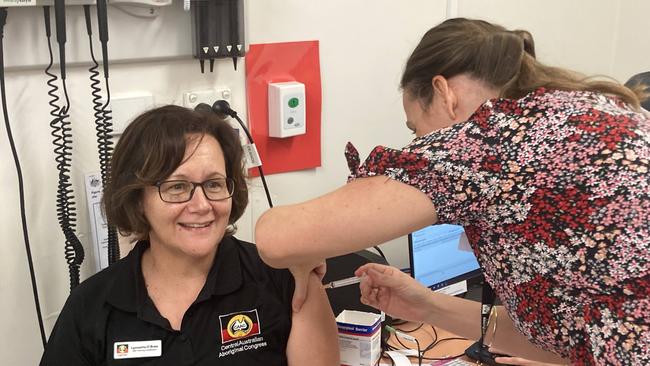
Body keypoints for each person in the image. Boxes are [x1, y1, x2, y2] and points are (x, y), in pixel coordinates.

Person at [255, 18, 650, 365]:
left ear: (444, 92)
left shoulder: (488, 141)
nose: (419, 144)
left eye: (415, 129)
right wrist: (425, 306)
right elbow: (576, 336)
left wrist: (306, 252)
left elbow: (276, 237)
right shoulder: (592, 110)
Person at [40, 105, 339, 365]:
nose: (201, 205)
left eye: (214, 184)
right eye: (176, 187)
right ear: (137, 200)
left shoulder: (288, 281)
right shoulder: (90, 307)